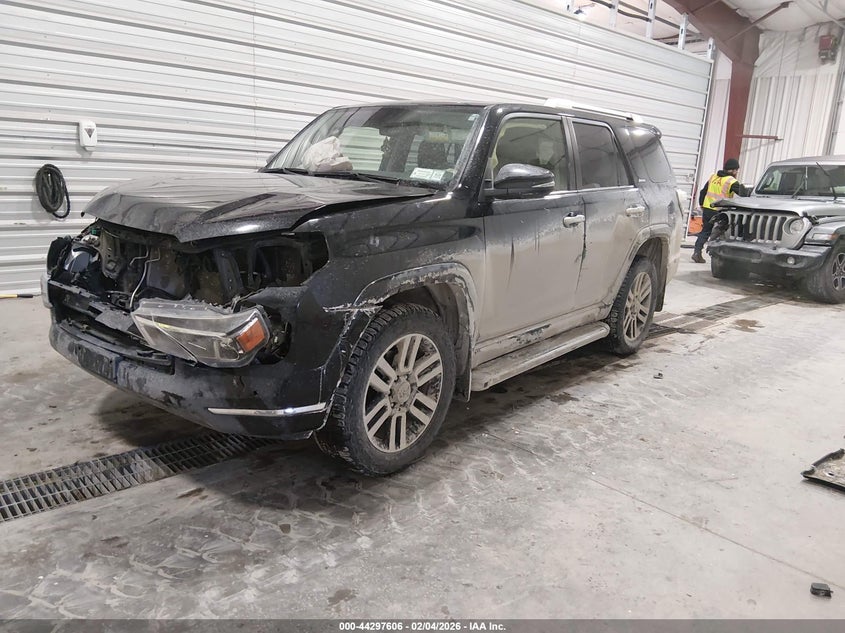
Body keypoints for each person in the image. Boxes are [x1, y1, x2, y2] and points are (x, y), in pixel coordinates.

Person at [691, 158, 750, 263]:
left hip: (708, 208)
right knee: (721, 234)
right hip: (719, 211)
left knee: (705, 231)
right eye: (736, 170)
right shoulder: (731, 181)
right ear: (732, 170)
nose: (737, 172)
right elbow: (743, 194)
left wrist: (701, 204)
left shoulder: (713, 177)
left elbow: (703, 191)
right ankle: (717, 256)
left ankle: (697, 252)